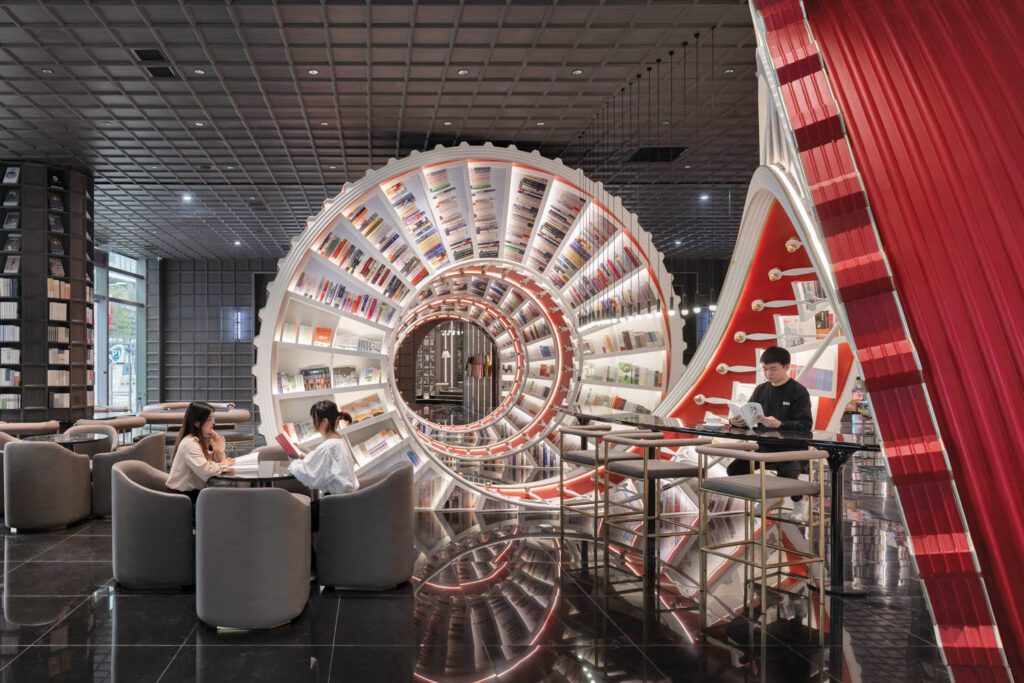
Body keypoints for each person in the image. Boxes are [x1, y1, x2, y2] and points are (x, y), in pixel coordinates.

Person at [727, 346, 813, 518]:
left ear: (787, 367)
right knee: (734, 469)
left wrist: (780, 424)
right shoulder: (761, 389)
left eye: (773, 369)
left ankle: (798, 505)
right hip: (764, 446)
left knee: (788, 474)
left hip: (791, 449)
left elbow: (806, 425)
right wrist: (736, 421)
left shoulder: (799, 391)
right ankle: (767, 498)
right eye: (765, 369)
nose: (768, 374)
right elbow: (749, 414)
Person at [166, 401, 236, 504]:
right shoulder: (189, 444)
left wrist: (219, 451)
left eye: (213, 418)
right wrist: (223, 464)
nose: (213, 423)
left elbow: (211, 462)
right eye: (209, 420)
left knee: (228, 490)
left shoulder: (197, 441)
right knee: (229, 493)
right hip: (183, 498)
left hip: (193, 494)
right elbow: (207, 470)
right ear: (197, 423)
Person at [287, 400, 359, 495]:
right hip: (347, 497)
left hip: (335, 501)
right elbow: (326, 463)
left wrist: (293, 464)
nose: (311, 422)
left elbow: (308, 476)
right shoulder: (338, 440)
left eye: (314, 418)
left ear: (325, 421)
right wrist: (305, 456)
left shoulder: (328, 447)